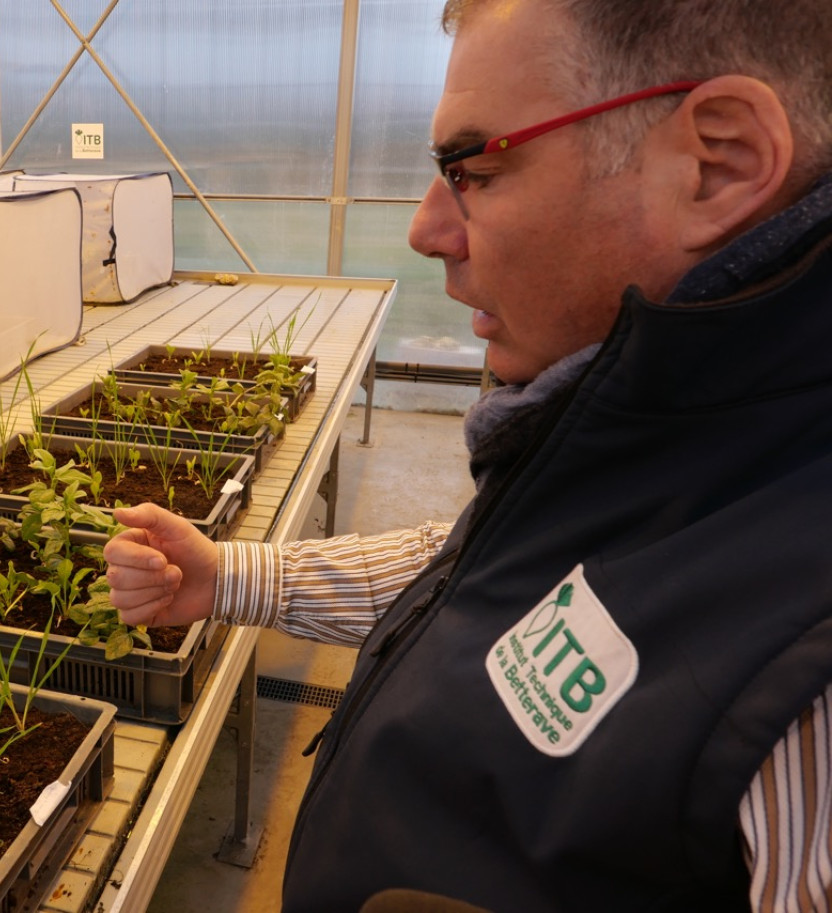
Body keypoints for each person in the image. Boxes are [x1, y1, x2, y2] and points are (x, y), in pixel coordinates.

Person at [104, 0, 832, 909]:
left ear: (717, 163)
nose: (426, 228)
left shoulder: (807, 672)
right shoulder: (678, 441)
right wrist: (231, 575)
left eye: (476, 167)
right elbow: (498, 573)